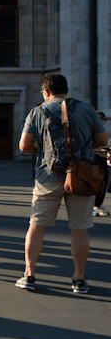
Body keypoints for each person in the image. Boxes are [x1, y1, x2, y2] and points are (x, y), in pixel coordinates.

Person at [16, 73, 108, 293]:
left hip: (48, 177)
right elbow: (103, 141)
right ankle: (79, 280)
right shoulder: (86, 109)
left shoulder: (37, 112)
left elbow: (24, 146)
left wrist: (42, 151)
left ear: (46, 91)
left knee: (37, 226)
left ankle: (29, 275)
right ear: (66, 89)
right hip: (82, 176)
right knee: (80, 229)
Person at [92, 111, 110, 217]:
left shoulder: (104, 130)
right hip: (93, 159)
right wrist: (100, 150)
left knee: (105, 182)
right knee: (93, 183)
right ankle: (90, 207)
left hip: (103, 159)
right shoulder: (90, 130)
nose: (101, 121)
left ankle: (98, 205)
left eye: (102, 119)